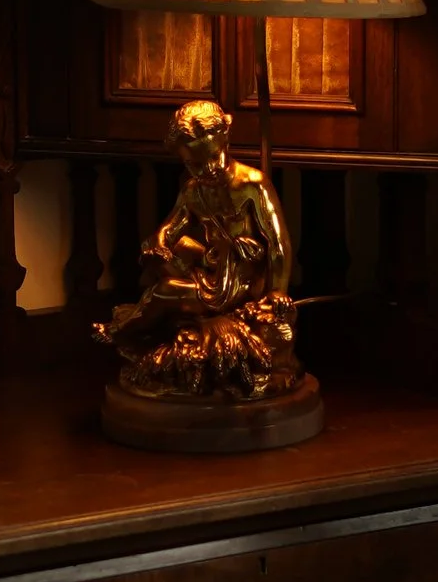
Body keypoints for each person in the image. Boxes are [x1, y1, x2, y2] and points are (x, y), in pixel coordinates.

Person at [101, 93, 297, 399]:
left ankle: (124, 332)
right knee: (165, 284)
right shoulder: (194, 189)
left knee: (167, 292)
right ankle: (129, 333)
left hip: (242, 284)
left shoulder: (252, 184)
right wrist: (158, 243)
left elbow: (278, 243)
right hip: (209, 275)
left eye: (210, 160)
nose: (204, 171)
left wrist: (277, 291)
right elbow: (171, 226)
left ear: (224, 139)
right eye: (193, 164)